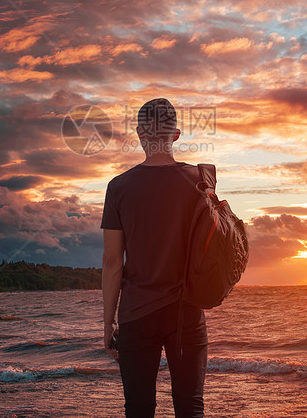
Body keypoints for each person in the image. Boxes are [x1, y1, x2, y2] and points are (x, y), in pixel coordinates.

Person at [101, 98, 208, 418]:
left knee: (138, 408)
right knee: (190, 407)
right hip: (186, 313)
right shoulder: (200, 181)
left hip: (136, 315)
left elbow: (112, 262)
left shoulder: (118, 187)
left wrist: (108, 322)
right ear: (175, 134)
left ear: (139, 133)